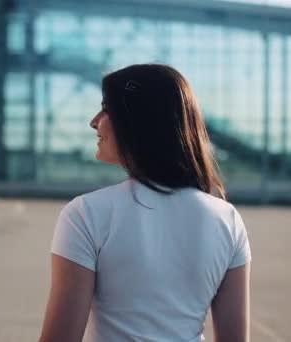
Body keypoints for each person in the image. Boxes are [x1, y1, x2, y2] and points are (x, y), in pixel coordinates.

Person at [39, 64, 251, 342]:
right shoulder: (228, 219)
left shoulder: (86, 214)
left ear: (137, 120)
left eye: (106, 109)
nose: (94, 121)